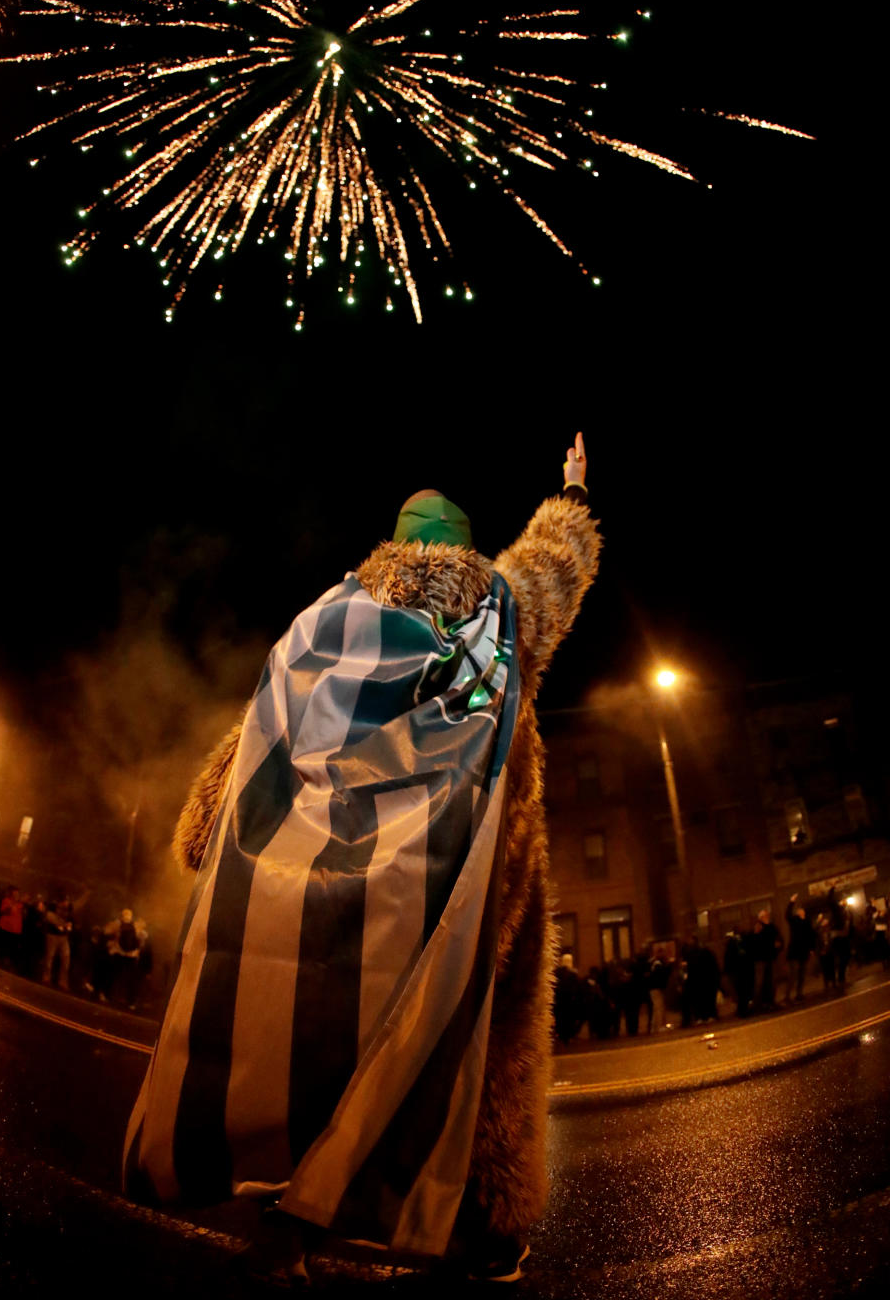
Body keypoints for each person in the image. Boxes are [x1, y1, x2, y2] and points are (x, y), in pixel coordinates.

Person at [124, 437, 600, 1285]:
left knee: (320, 1039)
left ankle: (290, 1226)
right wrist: (570, 489)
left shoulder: (330, 620)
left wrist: (205, 826)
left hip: (332, 892)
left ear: (395, 540)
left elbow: (262, 731)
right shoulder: (503, 608)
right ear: (466, 545)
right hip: (464, 887)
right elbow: (558, 559)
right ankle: (478, 1226)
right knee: (473, 1053)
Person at [784, 894, 815, 1003]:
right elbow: (787, 915)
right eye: (799, 910)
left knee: (802, 973)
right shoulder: (794, 921)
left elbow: (811, 935)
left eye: (802, 910)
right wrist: (791, 902)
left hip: (804, 951)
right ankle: (787, 996)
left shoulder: (807, 922)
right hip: (794, 951)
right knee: (793, 974)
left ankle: (799, 993)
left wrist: (811, 949)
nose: (801, 912)